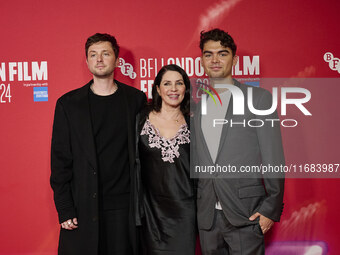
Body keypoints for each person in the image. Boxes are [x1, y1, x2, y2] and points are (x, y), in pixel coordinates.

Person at [50, 33, 146, 255]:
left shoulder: (135, 100)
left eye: (105, 53)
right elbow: (60, 161)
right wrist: (65, 208)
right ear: (87, 61)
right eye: (93, 55)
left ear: (116, 60)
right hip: (83, 206)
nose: (99, 59)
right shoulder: (68, 104)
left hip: (125, 209)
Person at [193, 28, 285, 254]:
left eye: (222, 54)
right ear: (202, 60)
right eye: (208, 54)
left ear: (234, 59)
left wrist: (270, 208)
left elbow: (273, 157)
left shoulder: (259, 99)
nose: (215, 60)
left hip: (246, 213)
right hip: (207, 218)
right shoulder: (197, 107)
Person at [136, 64, 196, 255]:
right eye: (167, 83)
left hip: (185, 211)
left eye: (179, 83)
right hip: (151, 212)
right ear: (158, 89)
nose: (173, 89)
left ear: (185, 89)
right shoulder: (139, 119)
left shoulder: (195, 122)